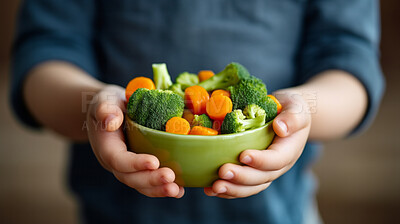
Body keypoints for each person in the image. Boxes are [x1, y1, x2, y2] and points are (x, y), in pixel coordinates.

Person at [10, 0, 384, 223]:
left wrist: (302, 111)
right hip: (114, 213)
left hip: (280, 213)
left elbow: (349, 63)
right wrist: (95, 104)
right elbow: (45, 52)